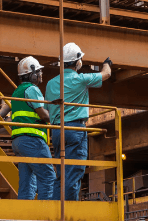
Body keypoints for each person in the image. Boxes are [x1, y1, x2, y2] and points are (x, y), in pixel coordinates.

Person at [45, 42, 112, 201]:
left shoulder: (50, 83)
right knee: (73, 173)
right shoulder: (81, 79)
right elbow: (106, 74)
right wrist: (107, 63)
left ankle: (56, 211)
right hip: (75, 129)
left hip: (56, 131)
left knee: (61, 174)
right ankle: (68, 214)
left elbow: (48, 108)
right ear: (77, 62)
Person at [0, 56, 56, 200]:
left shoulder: (16, 92)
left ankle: (25, 219)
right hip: (33, 140)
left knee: (27, 182)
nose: (41, 74)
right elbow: (44, 116)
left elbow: (0, 115)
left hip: (19, 143)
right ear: (32, 74)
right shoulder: (33, 89)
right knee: (48, 177)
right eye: (39, 71)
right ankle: (45, 217)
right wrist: (59, 118)